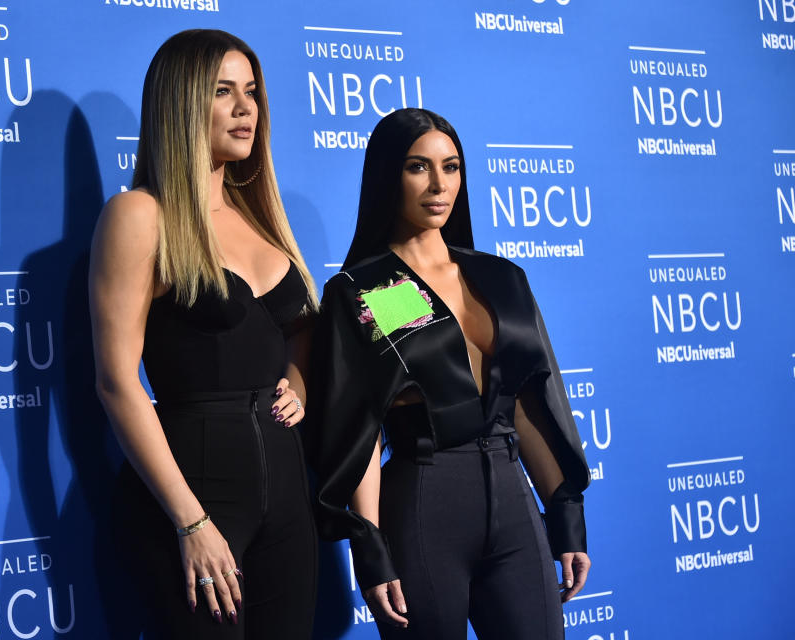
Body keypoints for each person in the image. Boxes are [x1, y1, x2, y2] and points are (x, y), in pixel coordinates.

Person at [309, 108, 592, 640]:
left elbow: (527, 403)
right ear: (387, 175)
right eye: (419, 167)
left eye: (452, 167)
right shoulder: (365, 289)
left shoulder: (502, 277)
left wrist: (565, 513)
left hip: (512, 498)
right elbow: (361, 429)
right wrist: (369, 544)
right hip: (422, 502)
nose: (439, 185)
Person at [89, 29, 319, 639]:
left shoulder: (261, 215)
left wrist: (297, 378)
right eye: (224, 92)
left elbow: (300, 332)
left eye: (253, 92)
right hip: (192, 495)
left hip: (289, 498)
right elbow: (117, 382)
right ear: (183, 102)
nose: (247, 108)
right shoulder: (140, 215)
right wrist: (190, 522)